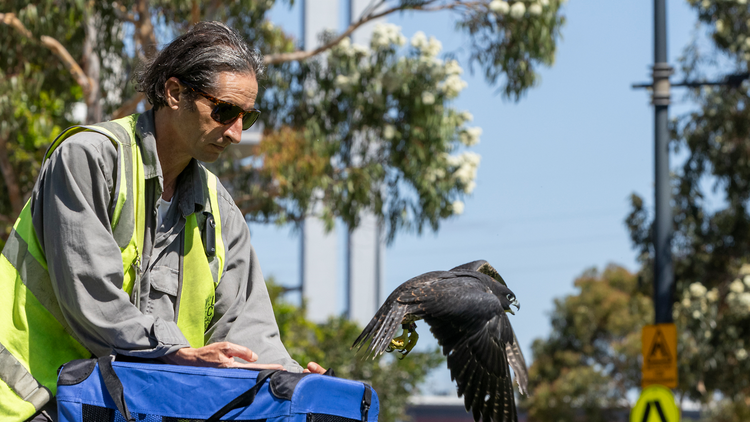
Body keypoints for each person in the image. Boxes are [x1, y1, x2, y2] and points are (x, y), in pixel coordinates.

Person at [0, 21, 325, 422]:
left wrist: (293, 381)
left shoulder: (221, 213)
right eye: (224, 111)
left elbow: (246, 330)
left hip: (115, 409)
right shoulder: (88, 159)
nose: (237, 133)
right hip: (30, 400)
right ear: (174, 93)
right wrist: (178, 351)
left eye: (248, 117)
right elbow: (93, 300)